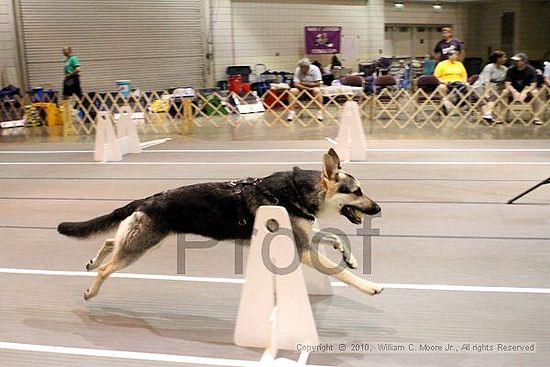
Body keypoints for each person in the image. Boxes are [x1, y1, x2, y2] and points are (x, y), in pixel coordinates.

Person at [501, 52, 542, 125]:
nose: (515, 62)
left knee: (536, 92)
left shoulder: (531, 69)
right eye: (515, 60)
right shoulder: (511, 69)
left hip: (527, 90)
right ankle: (503, 115)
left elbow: (533, 84)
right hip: (513, 90)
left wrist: (525, 92)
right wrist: (514, 92)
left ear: (524, 61)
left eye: (518, 60)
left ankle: (535, 116)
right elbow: (507, 84)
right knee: (505, 92)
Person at [472, 50, 508, 122]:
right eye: (504, 57)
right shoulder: (489, 67)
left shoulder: (505, 69)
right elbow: (486, 81)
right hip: (480, 86)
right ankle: (488, 114)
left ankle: (488, 114)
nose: (505, 59)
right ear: (498, 59)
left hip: (494, 88)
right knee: (485, 97)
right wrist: (486, 92)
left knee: (494, 97)